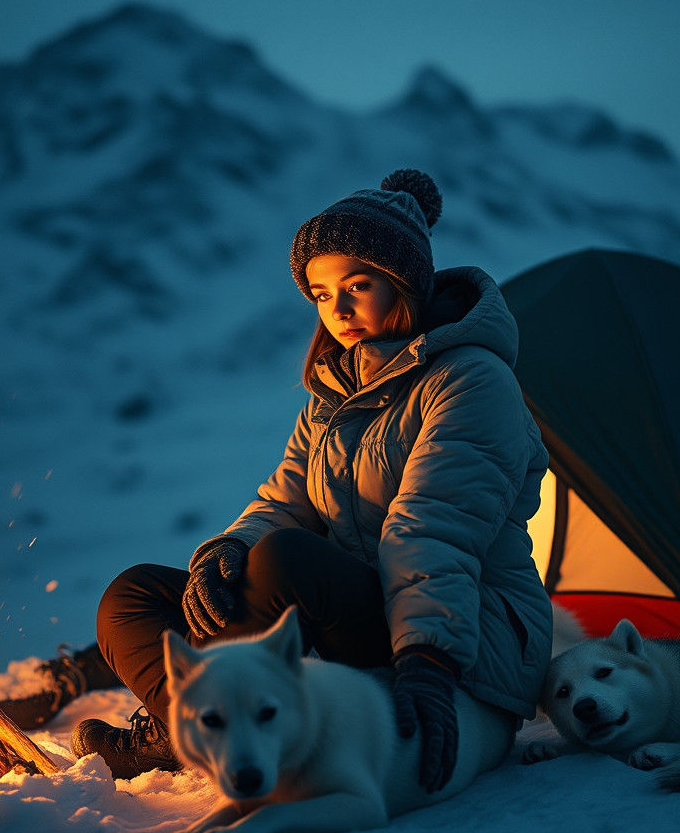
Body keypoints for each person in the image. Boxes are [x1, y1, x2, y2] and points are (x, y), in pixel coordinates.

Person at [69, 169, 553, 787]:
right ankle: (191, 731)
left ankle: (206, 726)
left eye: (358, 285)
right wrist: (227, 550)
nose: (338, 310)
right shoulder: (337, 389)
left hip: (463, 635)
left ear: (403, 282)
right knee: (133, 595)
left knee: (286, 560)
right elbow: (285, 498)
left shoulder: (471, 381)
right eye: (322, 295)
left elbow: (436, 530)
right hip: (358, 614)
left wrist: (428, 663)